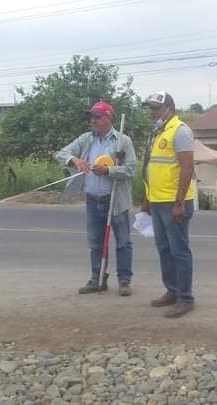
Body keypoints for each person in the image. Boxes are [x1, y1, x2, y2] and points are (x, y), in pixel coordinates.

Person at [55, 100, 137, 296]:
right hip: (93, 199)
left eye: (97, 117)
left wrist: (108, 170)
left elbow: (131, 169)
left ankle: (124, 281)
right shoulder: (86, 139)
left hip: (115, 200)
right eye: (92, 117)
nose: (93, 120)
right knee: (95, 243)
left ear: (108, 117)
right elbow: (60, 153)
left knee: (123, 242)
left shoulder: (122, 141)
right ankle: (97, 279)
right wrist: (74, 159)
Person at [140, 91, 196, 318]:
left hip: (174, 202)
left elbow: (187, 167)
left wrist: (179, 202)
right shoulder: (157, 132)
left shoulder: (180, 131)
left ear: (169, 108)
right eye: (150, 109)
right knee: (164, 248)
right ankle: (172, 290)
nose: (152, 113)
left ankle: (185, 298)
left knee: (179, 251)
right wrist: (147, 199)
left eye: (156, 108)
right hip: (157, 201)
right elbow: (152, 168)